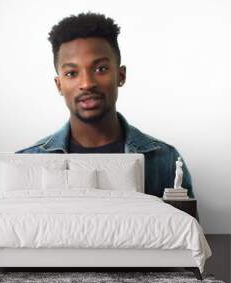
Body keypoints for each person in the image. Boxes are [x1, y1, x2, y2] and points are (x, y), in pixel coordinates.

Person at [15, 12, 194, 198]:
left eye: (100, 69)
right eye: (71, 73)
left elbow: (185, 227)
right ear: (59, 85)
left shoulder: (166, 161)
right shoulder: (26, 164)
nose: (87, 83)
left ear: (121, 75)